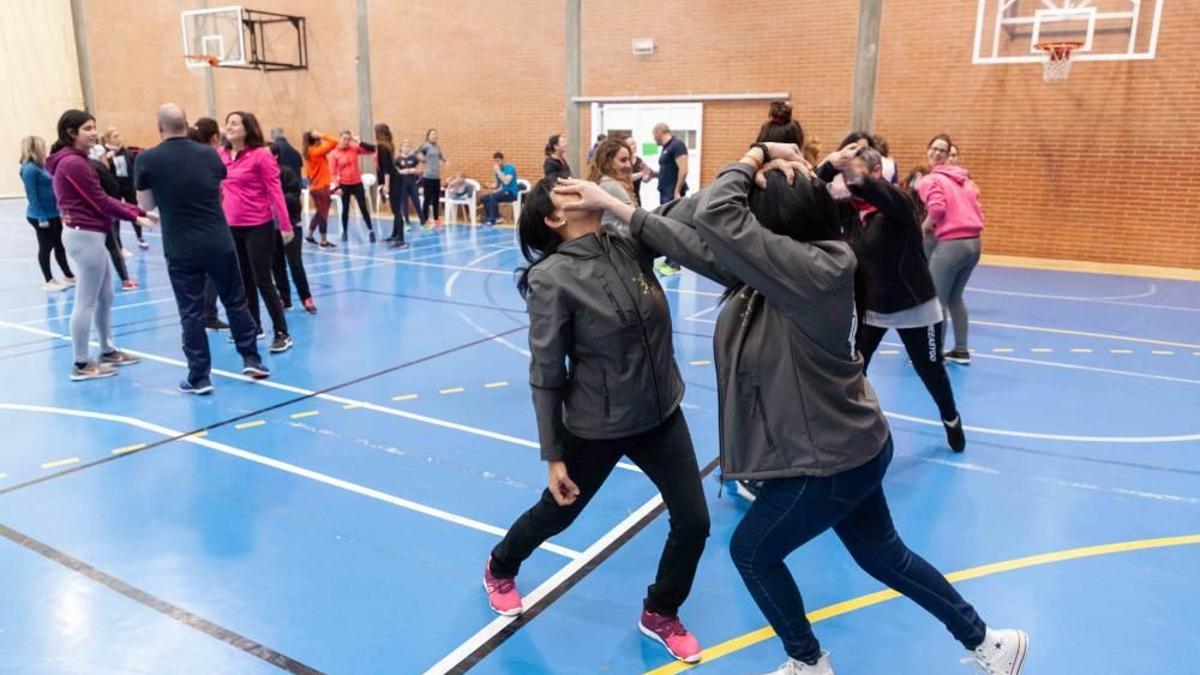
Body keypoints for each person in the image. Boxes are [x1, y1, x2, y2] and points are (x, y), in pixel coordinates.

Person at [558, 141, 1028, 675]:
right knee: (884, 556)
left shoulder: (816, 269)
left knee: (752, 552)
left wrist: (757, 154)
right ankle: (990, 643)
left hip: (830, 458)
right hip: (851, 442)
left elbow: (716, 215)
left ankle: (807, 661)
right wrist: (614, 206)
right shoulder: (785, 268)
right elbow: (689, 240)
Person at [483, 177, 710, 665]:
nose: (580, 189)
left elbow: (687, 209)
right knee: (558, 513)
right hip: (596, 425)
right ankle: (500, 565)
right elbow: (546, 374)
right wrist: (554, 456)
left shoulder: (628, 242)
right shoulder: (552, 278)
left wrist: (755, 160)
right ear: (554, 219)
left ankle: (660, 611)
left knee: (694, 521)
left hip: (660, 414)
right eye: (566, 191)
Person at [818, 145, 965, 452]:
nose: (850, 180)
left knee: (931, 371)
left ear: (877, 173)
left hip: (916, 307)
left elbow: (880, 194)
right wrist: (829, 167)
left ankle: (951, 418)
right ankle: (848, 427)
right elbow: (813, 197)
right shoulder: (848, 210)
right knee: (853, 370)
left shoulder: (900, 203)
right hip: (872, 309)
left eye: (859, 173)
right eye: (848, 174)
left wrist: (856, 176)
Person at [134, 103, 270, 393]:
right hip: (218, 240)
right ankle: (251, 359)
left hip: (180, 246)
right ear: (186, 124)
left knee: (191, 311)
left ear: (160, 127)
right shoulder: (210, 154)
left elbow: (146, 205)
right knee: (235, 301)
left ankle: (199, 376)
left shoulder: (147, 159)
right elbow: (219, 189)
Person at [47, 109, 154, 381]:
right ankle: (81, 363)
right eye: (87, 128)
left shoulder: (79, 160)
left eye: (94, 127)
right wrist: (136, 216)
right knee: (86, 301)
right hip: (84, 236)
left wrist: (139, 211)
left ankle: (106, 350)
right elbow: (100, 200)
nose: (94, 132)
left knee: (105, 296)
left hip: (92, 234)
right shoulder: (73, 163)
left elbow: (102, 198)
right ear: (71, 133)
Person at [218, 110, 294, 353]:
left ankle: (282, 332)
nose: (229, 127)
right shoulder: (222, 155)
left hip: (258, 225)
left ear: (247, 129)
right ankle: (254, 326)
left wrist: (285, 224)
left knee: (263, 280)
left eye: (234, 123)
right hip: (233, 226)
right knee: (244, 280)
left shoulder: (261, 155)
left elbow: (275, 190)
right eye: (227, 123)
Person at [919, 134, 984, 365]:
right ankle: (961, 350)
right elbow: (978, 209)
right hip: (974, 243)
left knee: (937, 301)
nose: (937, 153)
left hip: (952, 244)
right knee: (955, 297)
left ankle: (934, 355)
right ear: (928, 150)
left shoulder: (930, 180)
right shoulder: (964, 181)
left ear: (947, 156)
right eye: (934, 148)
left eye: (941, 150)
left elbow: (937, 209)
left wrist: (924, 228)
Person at [189, 117, 230, 331]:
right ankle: (209, 314)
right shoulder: (211, 157)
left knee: (198, 273)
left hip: (191, 222)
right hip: (211, 220)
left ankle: (201, 314)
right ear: (214, 138)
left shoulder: (189, 156)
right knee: (214, 272)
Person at [19, 136, 75, 291]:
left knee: (59, 245)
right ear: (35, 148)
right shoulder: (29, 169)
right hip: (40, 215)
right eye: (42, 146)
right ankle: (48, 280)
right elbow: (32, 195)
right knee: (46, 247)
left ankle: (69, 276)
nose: (45, 149)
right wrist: (41, 217)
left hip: (53, 212)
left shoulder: (41, 165)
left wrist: (61, 209)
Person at [269, 143, 316, 312]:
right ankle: (285, 298)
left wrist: (276, 197)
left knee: (295, 263)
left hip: (291, 225)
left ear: (275, 156)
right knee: (276, 264)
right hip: (270, 227)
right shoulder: (260, 175)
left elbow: (295, 198)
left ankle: (306, 298)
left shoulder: (286, 173)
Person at [89, 147, 138, 291]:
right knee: (112, 246)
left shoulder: (79, 166)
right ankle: (125, 280)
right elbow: (112, 187)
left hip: (87, 216)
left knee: (97, 249)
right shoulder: (97, 167)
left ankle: (96, 282)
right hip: (99, 213)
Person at [650, 122, 689, 275]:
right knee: (667, 227)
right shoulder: (666, 148)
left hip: (672, 195)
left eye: (654, 135)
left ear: (659, 132)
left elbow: (684, 169)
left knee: (673, 228)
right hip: (665, 193)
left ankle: (674, 264)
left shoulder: (677, 145)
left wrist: (677, 191)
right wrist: (653, 173)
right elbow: (666, 171)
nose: (653, 138)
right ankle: (669, 260)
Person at [101, 127, 148, 251]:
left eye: (119, 135)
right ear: (108, 139)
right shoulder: (104, 154)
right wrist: (106, 159)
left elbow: (133, 168)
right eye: (115, 136)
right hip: (114, 189)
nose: (118, 138)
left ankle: (140, 237)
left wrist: (136, 185)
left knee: (134, 211)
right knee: (115, 217)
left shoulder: (126, 152)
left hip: (128, 188)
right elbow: (102, 171)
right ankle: (119, 246)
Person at [329, 130, 378, 243]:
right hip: (344, 184)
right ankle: (344, 231)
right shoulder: (334, 154)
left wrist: (358, 141)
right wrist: (337, 187)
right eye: (344, 139)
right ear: (340, 139)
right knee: (345, 208)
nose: (346, 141)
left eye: (348, 139)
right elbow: (332, 173)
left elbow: (372, 149)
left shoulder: (354, 148)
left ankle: (371, 230)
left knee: (363, 207)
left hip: (357, 183)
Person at [588, 136, 637, 234]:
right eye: (623, 160)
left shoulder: (603, 182)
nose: (628, 165)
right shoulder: (611, 186)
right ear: (608, 162)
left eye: (629, 160)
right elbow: (635, 221)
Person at [302, 130, 339, 248]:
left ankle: (309, 235)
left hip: (316, 187)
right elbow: (334, 142)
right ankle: (323, 241)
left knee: (319, 212)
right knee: (323, 214)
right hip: (321, 187)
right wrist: (322, 135)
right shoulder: (316, 152)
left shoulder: (309, 152)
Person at [374, 123, 408, 249]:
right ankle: (394, 235)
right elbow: (371, 148)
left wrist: (386, 185)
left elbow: (387, 168)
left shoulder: (383, 147)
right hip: (395, 179)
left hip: (394, 180)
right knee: (395, 210)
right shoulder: (385, 145)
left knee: (396, 210)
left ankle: (401, 240)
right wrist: (358, 141)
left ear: (379, 133)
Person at [393, 139, 425, 231]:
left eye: (409, 146)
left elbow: (421, 167)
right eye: (405, 146)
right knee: (404, 204)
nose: (407, 148)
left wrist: (415, 170)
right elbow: (394, 171)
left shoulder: (414, 158)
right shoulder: (398, 159)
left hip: (412, 184)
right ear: (401, 148)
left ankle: (423, 222)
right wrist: (402, 171)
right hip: (402, 185)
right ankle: (407, 223)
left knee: (417, 202)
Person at [480, 151, 519, 227]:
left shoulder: (510, 168)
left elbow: (506, 182)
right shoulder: (497, 171)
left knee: (493, 196)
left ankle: (492, 220)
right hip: (503, 192)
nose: (496, 163)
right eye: (495, 161)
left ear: (502, 160)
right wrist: (487, 186)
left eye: (498, 161)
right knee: (484, 198)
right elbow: (496, 185)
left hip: (511, 193)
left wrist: (498, 171)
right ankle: (495, 217)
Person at [418, 128, 448, 225]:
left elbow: (441, 156)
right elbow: (417, 153)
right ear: (428, 136)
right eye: (432, 134)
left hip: (437, 176)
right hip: (428, 176)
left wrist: (445, 161)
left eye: (435, 134)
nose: (434, 136)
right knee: (427, 199)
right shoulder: (425, 146)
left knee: (436, 199)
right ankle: (424, 219)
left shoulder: (437, 146)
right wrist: (422, 159)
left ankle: (436, 219)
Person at [623, 135, 650, 206]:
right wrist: (642, 173)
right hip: (625, 197)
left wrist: (647, 175)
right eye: (632, 144)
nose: (634, 146)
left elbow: (645, 179)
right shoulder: (623, 160)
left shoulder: (639, 160)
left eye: (635, 143)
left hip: (636, 198)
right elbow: (626, 178)